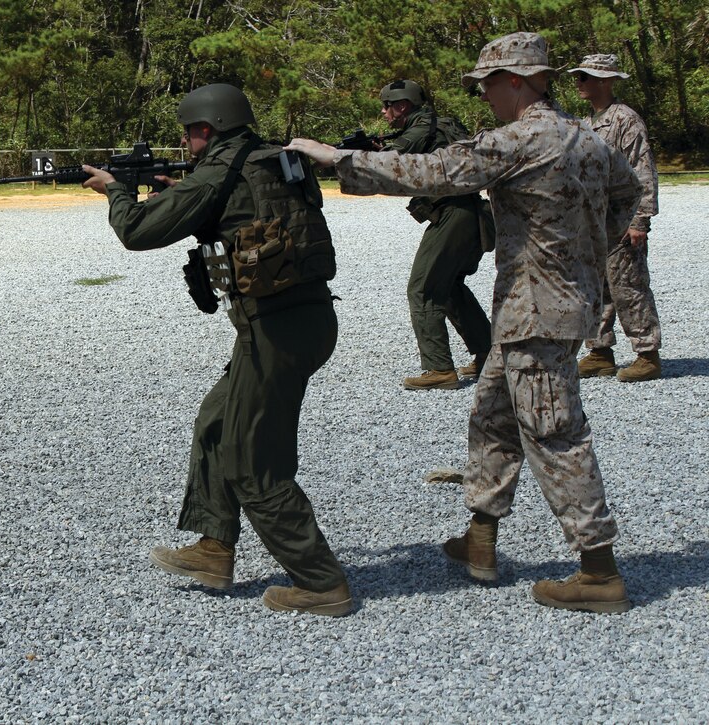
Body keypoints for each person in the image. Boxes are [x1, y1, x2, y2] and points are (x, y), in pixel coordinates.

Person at [286, 32, 643, 613]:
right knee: (493, 419)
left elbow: (439, 171)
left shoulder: (527, 138)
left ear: (519, 81)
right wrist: (581, 254)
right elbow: (626, 195)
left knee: (556, 433)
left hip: (538, 312)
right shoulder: (586, 138)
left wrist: (337, 159)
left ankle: (598, 570)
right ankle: (480, 541)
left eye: (488, 85)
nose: (483, 97)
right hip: (538, 308)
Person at [80, 83, 352, 617]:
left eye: (189, 132)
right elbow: (242, 211)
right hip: (307, 317)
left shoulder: (217, 171)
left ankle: (320, 581)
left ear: (208, 128)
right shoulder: (270, 159)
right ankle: (214, 548)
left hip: (274, 330)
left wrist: (115, 190)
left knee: (255, 461)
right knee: (214, 421)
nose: (185, 141)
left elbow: (137, 231)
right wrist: (186, 195)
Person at [376, 79, 493, 391]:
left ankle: (439, 368)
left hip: (452, 214)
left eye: (388, 106)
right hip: (470, 213)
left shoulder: (422, 127)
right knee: (450, 285)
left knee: (423, 289)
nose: (385, 112)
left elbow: (390, 159)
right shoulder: (445, 124)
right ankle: (490, 354)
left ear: (402, 105)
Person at [569, 54, 663, 382]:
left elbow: (642, 168)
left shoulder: (626, 120)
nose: (579, 82)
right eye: (579, 76)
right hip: (593, 223)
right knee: (595, 287)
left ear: (606, 81)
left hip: (621, 218)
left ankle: (647, 353)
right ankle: (599, 351)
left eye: (585, 77)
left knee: (629, 286)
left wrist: (640, 220)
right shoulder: (589, 122)